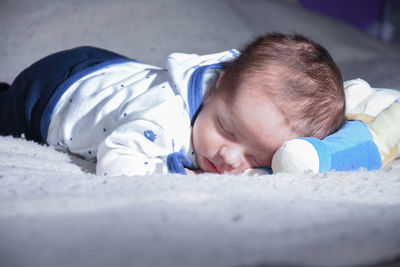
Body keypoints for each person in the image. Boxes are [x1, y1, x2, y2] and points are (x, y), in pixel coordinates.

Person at [0, 33, 345, 176]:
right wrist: (177, 178)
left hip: (114, 71)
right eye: (226, 128)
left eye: (256, 158)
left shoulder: (244, 100)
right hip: (55, 91)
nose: (229, 157)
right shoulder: (166, 119)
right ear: (218, 85)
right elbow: (119, 157)